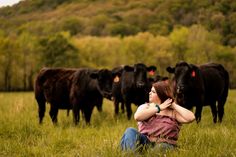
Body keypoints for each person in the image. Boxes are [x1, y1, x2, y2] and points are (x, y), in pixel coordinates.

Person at [120, 81, 195, 152]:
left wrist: (174, 105)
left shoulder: (173, 112)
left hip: (165, 144)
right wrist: (159, 108)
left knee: (159, 148)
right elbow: (137, 117)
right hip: (144, 142)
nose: (149, 93)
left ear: (161, 94)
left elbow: (191, 118)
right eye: (150, 91)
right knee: (130, 131)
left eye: (153, 92)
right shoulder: (146, 106)